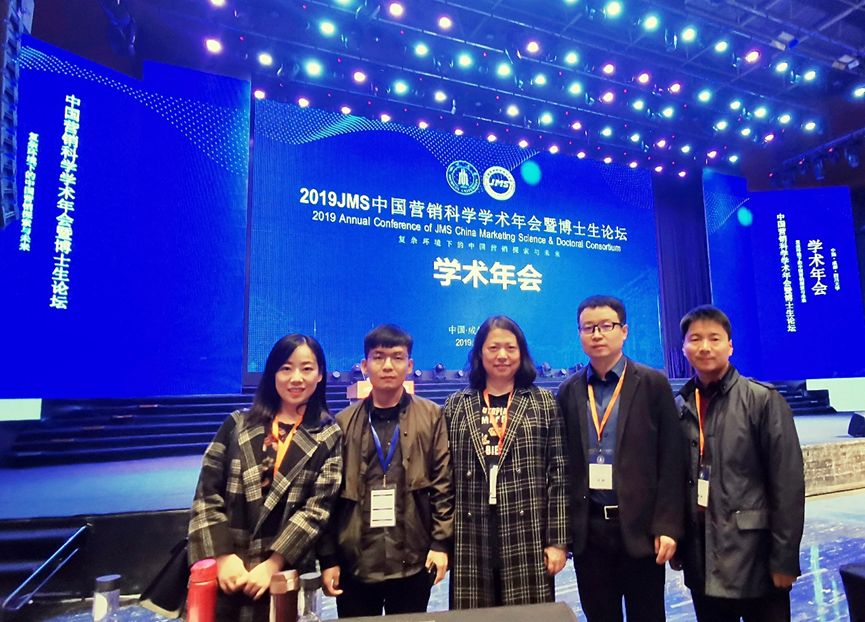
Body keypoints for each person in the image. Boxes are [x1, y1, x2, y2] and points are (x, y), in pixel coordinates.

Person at [188, 334, 343, 622]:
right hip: (228, 571)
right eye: (286, 368)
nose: (296, 378)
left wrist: (273, 564)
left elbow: (317, 511)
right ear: (273, 372)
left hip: (283, 575)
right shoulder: (236, 425)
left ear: (320, 375)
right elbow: (206, 495)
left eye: (307, 368)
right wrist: (222, 557)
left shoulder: (329, 435)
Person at [556, 295, 684, 622]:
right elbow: (563, 466)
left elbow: (672, 459)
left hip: (642, 531)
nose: (597, 334)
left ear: (624, 331)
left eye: (606, 326)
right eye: (588, 328)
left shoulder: (652, 384)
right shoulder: (569, 391)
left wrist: (667, 526)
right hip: (590, 534)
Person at [674, 305, 805, 622]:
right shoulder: (680, 405)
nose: (705, 347)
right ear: (684, 348)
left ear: (730, 346)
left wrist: (785, 559)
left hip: (756, 557)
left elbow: (787, 485)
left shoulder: (762, 399)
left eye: (714, 338)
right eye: (695, 339)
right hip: (702, 558)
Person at [318, 324, 453, 616]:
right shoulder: (342, 423)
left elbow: (443, 484)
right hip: (356, 563)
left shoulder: (432, 417)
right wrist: (329, 558)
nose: (388, 366)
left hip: (413, 560)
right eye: (378, 357)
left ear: (410, 365)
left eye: (397, 357)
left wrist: (441, 544)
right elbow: (328, 497)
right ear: (365, 365)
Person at [444, 315, 569, 609]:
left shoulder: (543, 403)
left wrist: (558, 541)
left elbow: (559, 474)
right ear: (479, 353)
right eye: (493, 348)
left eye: (510, 348)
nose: (502, 355)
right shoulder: (456, 404)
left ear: (521, 353)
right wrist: (442, 543)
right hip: (471, 535)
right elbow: (445, 478)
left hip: (527, 533)